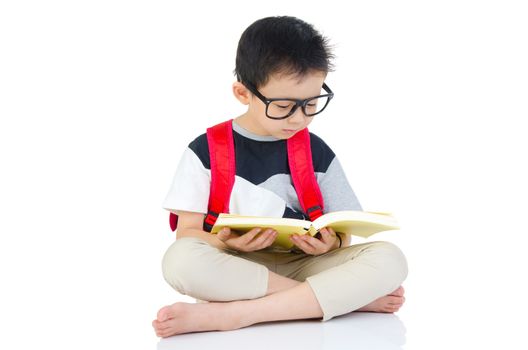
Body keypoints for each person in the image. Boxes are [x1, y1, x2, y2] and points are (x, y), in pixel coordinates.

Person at [152, 16, 408, 338]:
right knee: (179, 261)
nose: (299, 118)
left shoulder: (317, 152)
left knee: (390, 258)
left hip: (303, 263)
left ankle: (238, 314)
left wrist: (331, 244)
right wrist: (223, 241)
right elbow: (187, 234)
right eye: (284, 105)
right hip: (235, 265)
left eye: (311, 103)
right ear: (243, 93)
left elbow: (343, 232)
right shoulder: (204, 150)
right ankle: (340, 300)